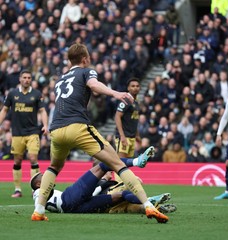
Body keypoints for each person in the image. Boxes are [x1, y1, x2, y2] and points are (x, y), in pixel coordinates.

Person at [31, 43, 168, 223]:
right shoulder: (86, 71)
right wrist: (115, 93)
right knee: (117, 164)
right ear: (85, 59)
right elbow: (94, 85)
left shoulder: (60, 79)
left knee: (53, 167)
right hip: (77, 126)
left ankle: (38, 211)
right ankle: (148, 205)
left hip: (56, 129)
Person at [31, 147, 175, 214]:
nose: (47, 176)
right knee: (104, 164)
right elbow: (38, 200)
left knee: (121, 196)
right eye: (43, 176)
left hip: (75, 209)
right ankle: (138, 161)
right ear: (38, 184)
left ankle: (149, 201)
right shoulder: (38, 192)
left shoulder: (43, 196)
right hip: (69, 198)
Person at [0, 70, 49, 198]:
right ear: (20, 79)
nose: (27, 80)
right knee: (17, 160)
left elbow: (43, 111)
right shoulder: (12, 94)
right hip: (17, 133)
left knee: (33, 158)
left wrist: (45, 125)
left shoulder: (37, 94)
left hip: (32, 132)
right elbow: (4, 110)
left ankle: (35, 189)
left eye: (29, 77)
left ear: (31, 80)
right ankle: (17, 189)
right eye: (24, 77)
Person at [114, 77, 141, 159]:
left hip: (132, 137)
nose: (135, 88)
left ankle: (108, 172)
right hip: (124, 137)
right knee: (121, 164)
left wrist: (137, 135)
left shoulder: (136, 102)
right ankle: (107, 171)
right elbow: (117, 116)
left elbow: (133, 120)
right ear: (128, 88)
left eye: (137, 86)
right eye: (133, 86)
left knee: (126, 164)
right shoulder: (126, 100)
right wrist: (122, 136)